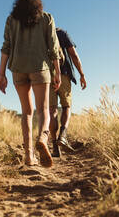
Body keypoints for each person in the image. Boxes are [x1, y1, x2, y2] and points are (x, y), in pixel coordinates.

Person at [0, 0, 61, 168]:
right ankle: (42, 138)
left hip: (18, 69)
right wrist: (56, 71)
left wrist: (1, 74)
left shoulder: (11, 20)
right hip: (40, 67)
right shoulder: (47, 18)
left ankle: (28, 156)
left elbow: (6, 47)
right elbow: (53, 47)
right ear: (38, 5)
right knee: (43, 110)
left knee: (26, 112)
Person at [49, 27, 87, 157]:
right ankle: (63, 136)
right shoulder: (61, 33)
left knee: (52, 110)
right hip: (64, 75)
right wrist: (81, 74)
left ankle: (55, 147)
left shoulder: (41, 34)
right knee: (66, 106)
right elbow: (74, 55)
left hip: (46, 76)